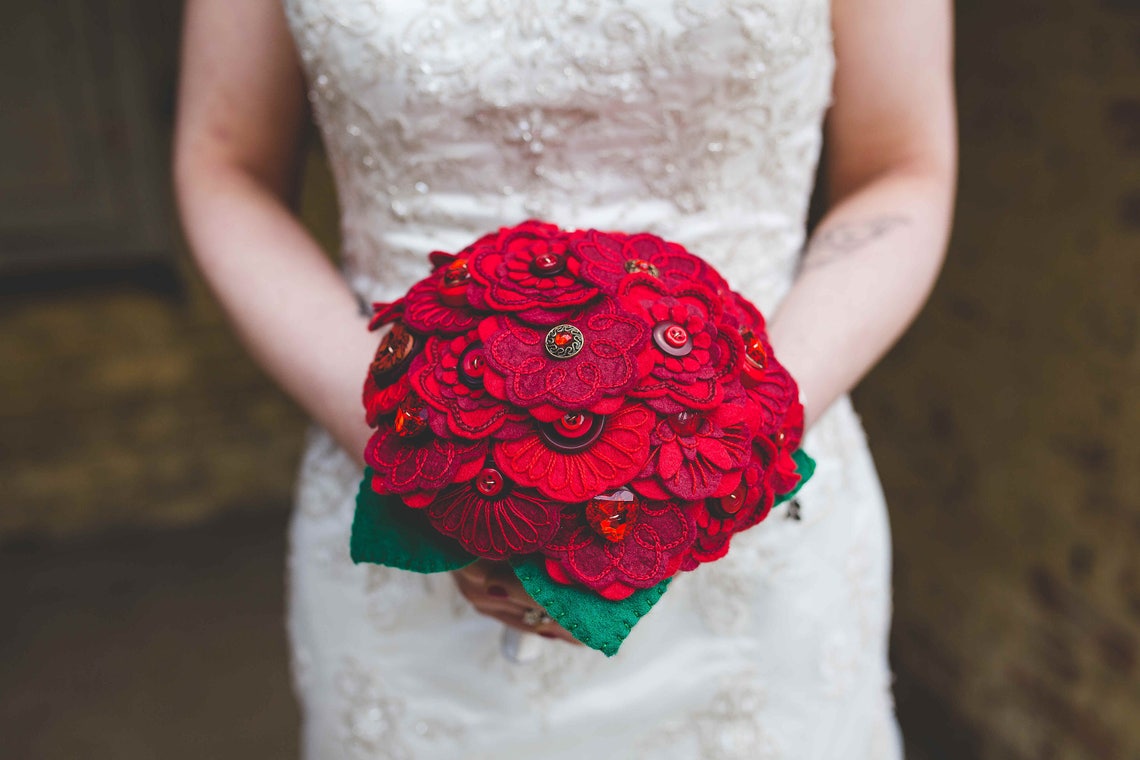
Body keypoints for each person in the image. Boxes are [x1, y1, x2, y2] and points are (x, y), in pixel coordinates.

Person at [174, 0, 956, 757]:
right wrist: (428, 455)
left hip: (752, 517)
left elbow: (900, 166)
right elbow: (224, 161)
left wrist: (729, 445)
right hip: (399, 473)